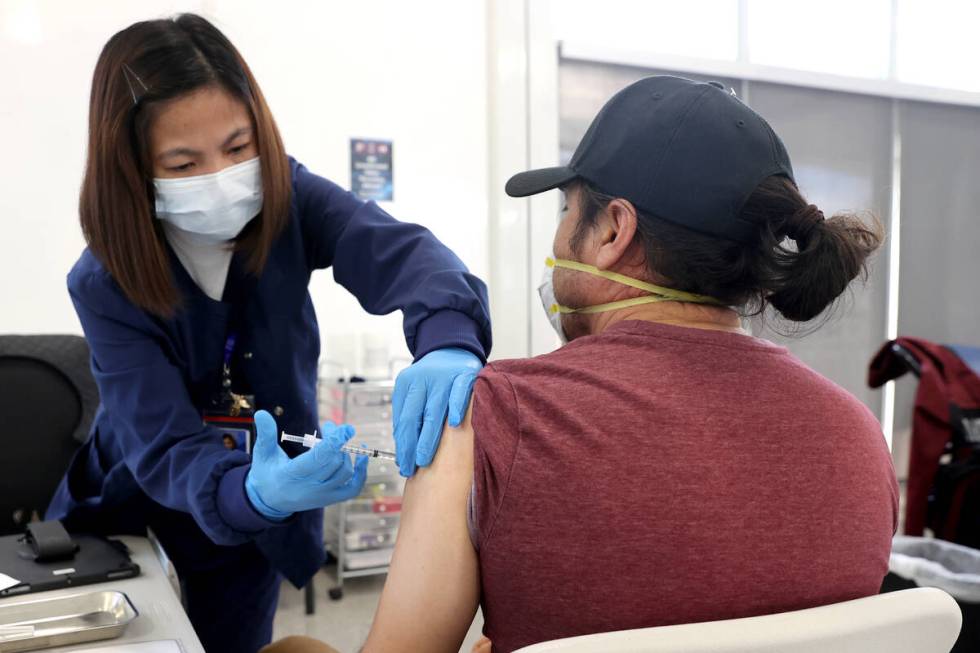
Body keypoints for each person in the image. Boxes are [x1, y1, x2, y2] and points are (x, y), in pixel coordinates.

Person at [278, 76, 898, 652]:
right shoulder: (861, 438)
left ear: (611, 233)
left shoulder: (486, 420)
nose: (558, 238)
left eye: (567, 210)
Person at [45, 14, 491, 653]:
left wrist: (448, 336)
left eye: (237, 146)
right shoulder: (103, 282)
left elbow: (402, 252)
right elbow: (165, 447)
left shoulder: (289, 199)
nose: (223, 176)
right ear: (133, 171)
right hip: (137, 505)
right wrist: (250, 489)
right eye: (184, 162)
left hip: (257, 513)